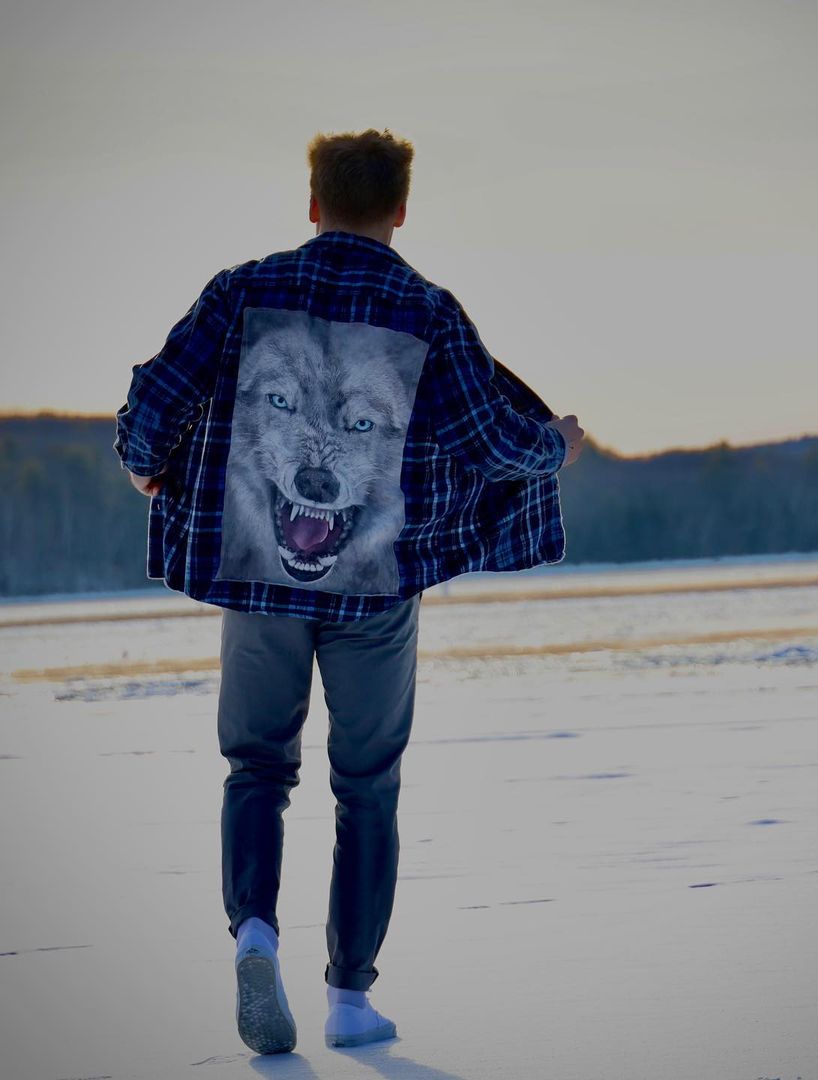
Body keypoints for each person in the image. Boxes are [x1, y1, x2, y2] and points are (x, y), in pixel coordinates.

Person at [113, 128, 585, 1055]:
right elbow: (490, 439)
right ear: (401, 209)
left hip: (258, 570)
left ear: (313, 202)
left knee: (257, 767)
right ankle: (350, 1001)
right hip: (376, 587)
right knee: (367, 786)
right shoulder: (428, 310)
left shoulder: (242, 289)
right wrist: (556, 446)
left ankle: (255, 934)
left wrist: (142, 461)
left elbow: (159, 395)